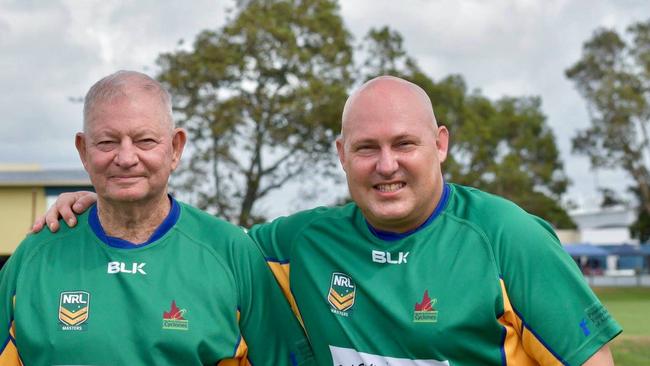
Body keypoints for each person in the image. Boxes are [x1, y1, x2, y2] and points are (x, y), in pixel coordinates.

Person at [33, 76, 621, 365]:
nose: (386, 165)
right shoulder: (300, 243)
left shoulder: (505, 236)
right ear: (341, 155)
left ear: (440, 144)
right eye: (366, 148)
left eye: (405, 144)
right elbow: (191, 245)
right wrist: (102, 205)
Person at [1, 71, 313, 365]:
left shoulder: (230, 252)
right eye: (107, 142)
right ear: (84, 150)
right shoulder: (35, 256)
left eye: (145, 141)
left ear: (175, 148)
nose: (125, 158)